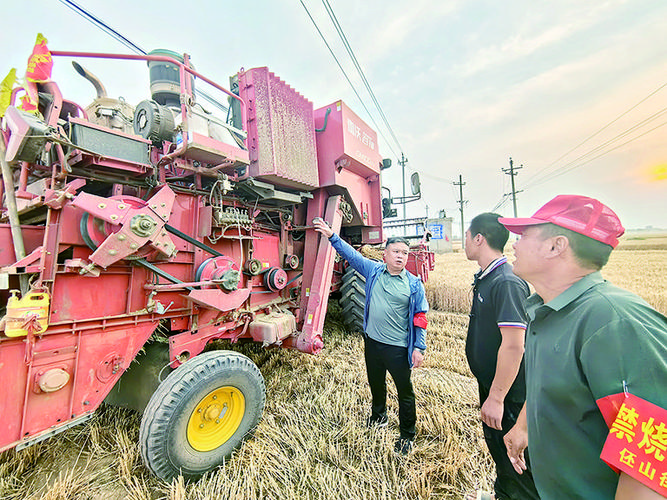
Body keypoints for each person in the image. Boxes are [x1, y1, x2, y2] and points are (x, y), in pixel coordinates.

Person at [498, 195, 667, 499]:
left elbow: (649, 463)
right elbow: (555, 387)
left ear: (556, 246)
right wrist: (524, 426)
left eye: (524, 235)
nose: (515, 244)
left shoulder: (613, 324)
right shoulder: (547, 312)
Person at [312, 217, 429, 455]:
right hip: (372, 343)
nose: (400, 256)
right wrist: (331, 236)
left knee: (405, 392)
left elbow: (420, 317)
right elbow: (351, 256)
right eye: (396, 251)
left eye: (405, 253)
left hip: (397, 348)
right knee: (376, 384)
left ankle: (407, 435)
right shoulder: (373, 270)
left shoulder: (414, 284)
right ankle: (379, 417)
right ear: (384, 254)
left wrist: (419, 347)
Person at [464, 213, 540, 500]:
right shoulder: (489, 277)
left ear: (479, 239)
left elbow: (514, 346)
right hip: (495, 387)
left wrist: (496, 398)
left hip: (509, 396)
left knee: (515, 462)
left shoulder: (505, 281)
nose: (465, 243)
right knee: (500, 454)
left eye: (467, 237)